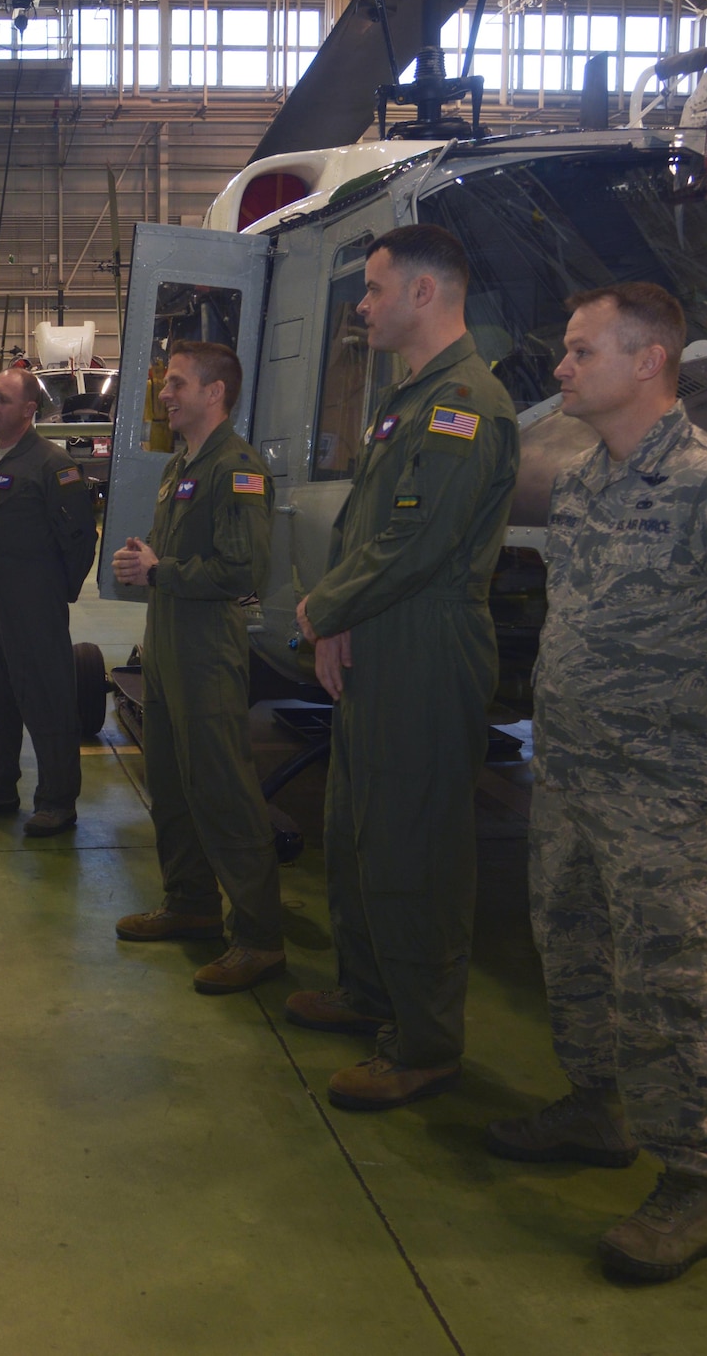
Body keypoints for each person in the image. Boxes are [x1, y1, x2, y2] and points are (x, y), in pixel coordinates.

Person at [485, 283, 707, 1282]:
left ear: (648, 362)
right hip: (571, 773)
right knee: (574, 947)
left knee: (670, 981)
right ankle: (597, 1108)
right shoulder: (583, 482)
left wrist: (691, 712)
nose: (559, 368)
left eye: (579, 351)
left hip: (666, 788)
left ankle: (693, 1183)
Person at [287, 223, 518, 1112]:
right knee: (358, 828)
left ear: (424, 293)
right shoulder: (408, 397)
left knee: (415, 846)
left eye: (375, 287)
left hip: (426, 641)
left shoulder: (465, 404)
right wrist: (341, 619)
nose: (362, 305)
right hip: (379, 634)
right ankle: (368, 991)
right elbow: (365, 525)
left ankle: (423, 1043)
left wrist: (326, 607)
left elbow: (418, 539)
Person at [110, 342, 285, 995]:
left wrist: (162, 571)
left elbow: (243, 571)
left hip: (207, 649)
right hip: (167, 644)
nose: (165, 394)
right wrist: (148, 561)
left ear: (215, 393)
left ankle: (260, 938)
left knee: (223, 790)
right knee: (172, 782)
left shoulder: (236, 469)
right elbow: (182, 556)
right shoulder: (181, 465)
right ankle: (190, 902)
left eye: (178, 384)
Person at [0, 367, 96, 836]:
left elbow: (79, 541)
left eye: (3, 400)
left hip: (33, 608)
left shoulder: (53, 466)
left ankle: (57, 802)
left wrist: (53, 594)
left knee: (48, 701)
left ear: (29, 410)